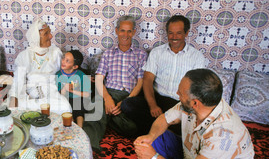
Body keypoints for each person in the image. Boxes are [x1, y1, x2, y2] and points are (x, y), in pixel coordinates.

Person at [134, 69, 254, 159]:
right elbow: (164, 119)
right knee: (157, 139)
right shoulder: (196, 105)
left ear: (195, 102)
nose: (177, 95)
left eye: (181, 93)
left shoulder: (224, 134)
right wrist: (150, 136)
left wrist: (154, 157)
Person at [121, 15, 206, 135]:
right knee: (127, 105)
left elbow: (198, 88)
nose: (174, 37)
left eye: (179, 33)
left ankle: (155, 131)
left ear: (186, 33)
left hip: (180, 103)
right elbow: (147, 80)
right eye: (171, 33)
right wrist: (153, 105)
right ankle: (164, 131)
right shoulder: (157, 52)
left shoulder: (197, 56)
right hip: (158, 99)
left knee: (194, 124)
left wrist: (186, 109)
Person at [82, 15, 147, 152]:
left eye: (129, 31)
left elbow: (141, 81)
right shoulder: (108, 54)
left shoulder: (141, 54)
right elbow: (99, 79)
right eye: (122, 30)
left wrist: (125, 102)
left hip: (129, 97)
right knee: (96, 106)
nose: (125, 35)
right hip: (109, 92)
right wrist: (108, 99)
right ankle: (89, 146)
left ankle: (108, 117)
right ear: (117, 31)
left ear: (134, 32)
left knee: (131, 128)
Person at [6, 18, 71, 115]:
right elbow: (18, 81)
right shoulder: (24, 56)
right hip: (30, 96)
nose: (51, 36)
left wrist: (82, 76)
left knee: (65, 107)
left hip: (51, 95)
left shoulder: (56, 52)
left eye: (49, 32)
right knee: (8, 107)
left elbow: (66, 70)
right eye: (46, 34)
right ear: (36, 38)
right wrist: (13, 98)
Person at [56, 50, 91, 127]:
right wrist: (65, 89)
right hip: (65, 98)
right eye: (64, 59)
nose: (63, 62)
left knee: (79, 108)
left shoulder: (81, 75)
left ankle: (80, 129)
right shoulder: (58, 75)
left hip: (79, 98)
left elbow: (87, 94)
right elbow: (59, 94)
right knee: (66, 108)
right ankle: (70, 127)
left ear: (75, 66)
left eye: (67, 61)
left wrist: (72, 91)